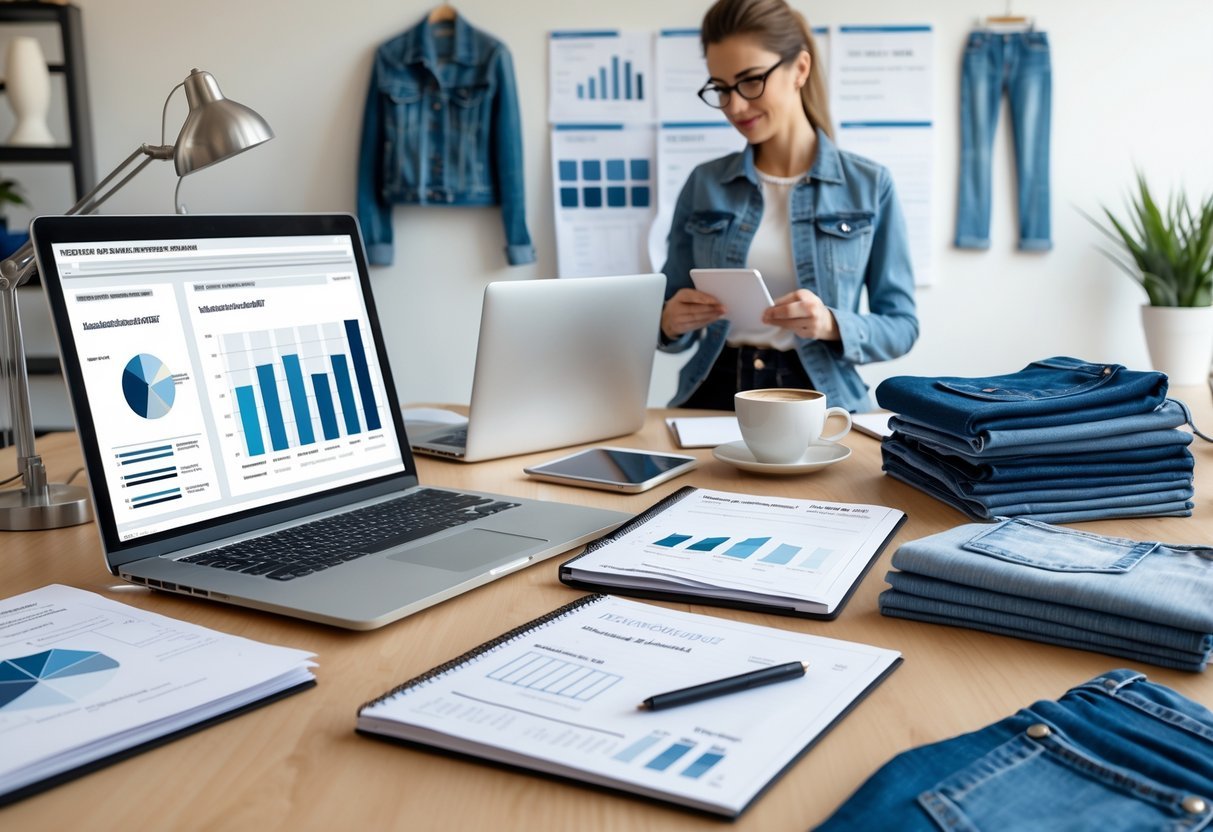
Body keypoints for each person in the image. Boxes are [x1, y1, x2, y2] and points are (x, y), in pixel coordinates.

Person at [659, 0, 918, 412]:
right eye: (721, 88)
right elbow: (666, 310)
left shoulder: (870, 185)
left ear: (799, 68)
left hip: (821, 398)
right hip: (712, 394)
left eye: (750, 81)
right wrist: (668, 322)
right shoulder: (704, 183)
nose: (735, 106)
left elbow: (902, 326)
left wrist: (831, 324)